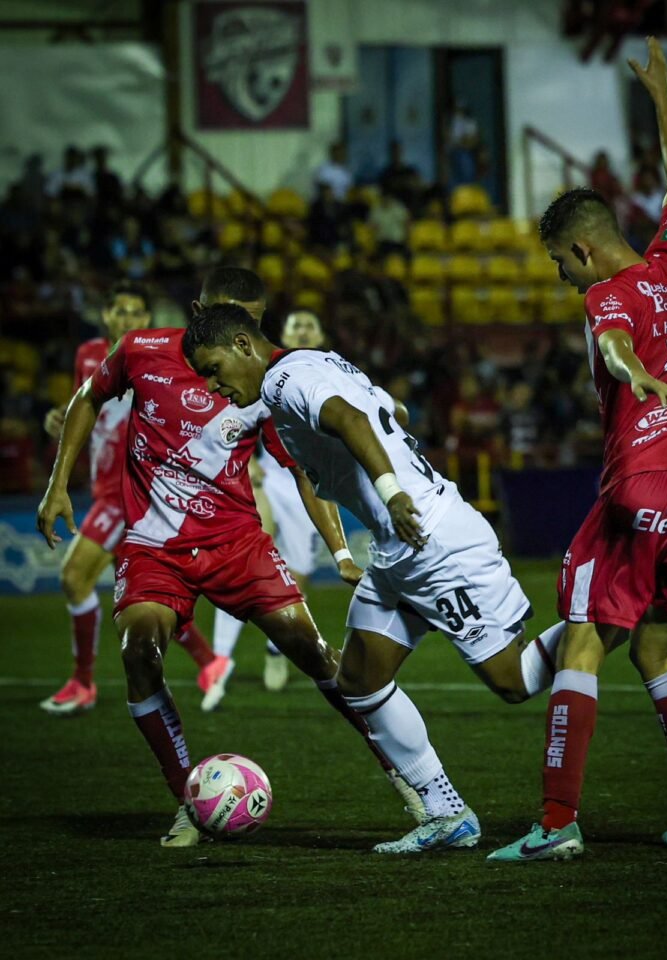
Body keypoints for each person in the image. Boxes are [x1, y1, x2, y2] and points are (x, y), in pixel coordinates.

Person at [36, 267, 421, 848]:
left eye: (254, 319)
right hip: (153, 545)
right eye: (230, 313)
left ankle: (406, 776)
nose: (244, 331)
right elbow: (88, 398)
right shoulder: (141, 351)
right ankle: (188, 802)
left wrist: (339, 549)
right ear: (200, 311)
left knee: (316, 653)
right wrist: (57, 483)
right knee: (139, 650)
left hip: (237, 542)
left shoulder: (269, 380)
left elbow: (305, 472)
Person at [182, 302, 577, 855]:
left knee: (513, 681)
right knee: (360, 680)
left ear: (244, 346)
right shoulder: (315, 367)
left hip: (432, 539)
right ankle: (447, 813)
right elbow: (393, 412)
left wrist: (392, 491)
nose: (215, 385)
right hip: (397, 551)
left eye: (215, 369)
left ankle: (613, 612)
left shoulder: (287, 378)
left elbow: (352, 418)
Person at [487, 38, 667, 863]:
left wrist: (638, 378)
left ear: (583, 251)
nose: (564, 276)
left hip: (643, 490)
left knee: (583, 640)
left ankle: (556, 826)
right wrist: (662, 95)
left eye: (562, 261)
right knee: (657, 648)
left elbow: (618, 343)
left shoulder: (606, 292)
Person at [39, 281, 217, 716]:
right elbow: (88, 405)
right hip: (102, 483)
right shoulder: (87, 355)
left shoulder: (153, 354)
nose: (125, 319)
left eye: (134, 312)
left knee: (75, 576)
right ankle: (210, 663)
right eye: (118, 311)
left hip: (131, 489)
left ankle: (83, 682)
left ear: (146, 318)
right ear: (106, 316)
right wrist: (59, 419)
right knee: (142, 593)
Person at [210, 309, 351, 699]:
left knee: (298, 572)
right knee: (249, 552)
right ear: (284, 333)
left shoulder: (332, 372)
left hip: (308, 481)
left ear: (321, 333)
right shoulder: (269, 372)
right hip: (272, 476)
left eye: (310, 323)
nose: (302, 329)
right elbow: (238, 414)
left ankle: (276, 650)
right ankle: (220, 658)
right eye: (295, 324)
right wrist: (249, 458)